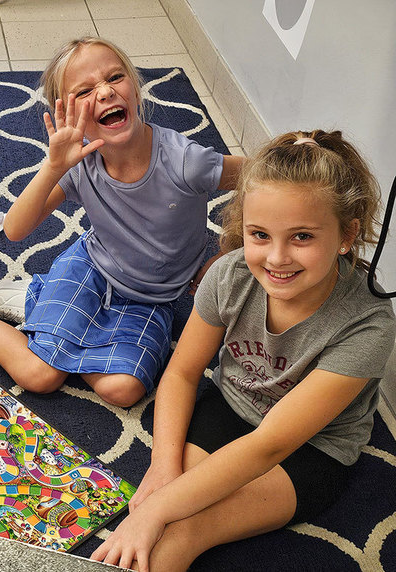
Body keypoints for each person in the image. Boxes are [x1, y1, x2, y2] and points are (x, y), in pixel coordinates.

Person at [0, 36, 242, 407]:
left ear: (136, 87)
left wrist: (225, 253)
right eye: (85, 91)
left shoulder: (186, 160)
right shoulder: (77, 163)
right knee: (40, 376)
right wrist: (54, 166)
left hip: (153, 298)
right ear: (65, 113)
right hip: (91, 268)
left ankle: (35, 302)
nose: (106, 92)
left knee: (123, 391)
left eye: (115, 78)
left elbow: (263, 182)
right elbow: (15, 229)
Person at [90, 130, 396, 571]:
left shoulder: (368, 323)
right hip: (232, 407)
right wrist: (162, 467)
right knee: (155, 513)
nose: (276, 258)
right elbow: (181, 373)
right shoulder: (229, 276)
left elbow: (270, 445)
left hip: (312, 449)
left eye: (302, 237)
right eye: (259, 235)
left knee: (182, 529)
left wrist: (160, 509)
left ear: (347, 234)